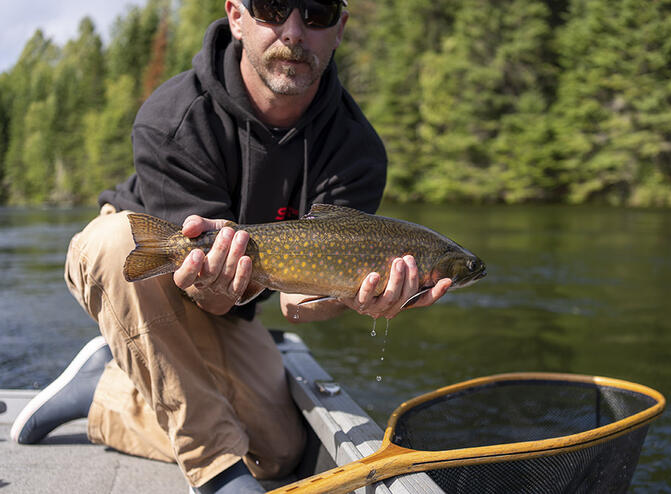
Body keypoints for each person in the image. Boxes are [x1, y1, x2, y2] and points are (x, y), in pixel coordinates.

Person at [10, 1, 452, 492]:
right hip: (145, 262)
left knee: (280, 450)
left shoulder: (356, 149)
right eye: (271, 7)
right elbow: (200, 277)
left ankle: (106, 391)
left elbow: (295, 304)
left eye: (318, 13)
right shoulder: (173, 116)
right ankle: (218, 472)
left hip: (239, 291)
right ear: (236, 17)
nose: (294, 31)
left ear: (340, 28)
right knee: (113, 243)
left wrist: (352, 296)